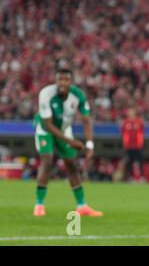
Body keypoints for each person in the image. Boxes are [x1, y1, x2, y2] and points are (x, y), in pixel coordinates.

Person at [33, 68, 103, 217]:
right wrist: (70, 141)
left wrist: (89, 144)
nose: (62, 83)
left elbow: (86, 120)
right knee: (47, 161)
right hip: (45, 130)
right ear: (56, 80)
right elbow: (48, 124)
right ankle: (39, 205)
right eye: (60, 79)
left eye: (66, 79)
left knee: (71, 164)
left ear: (71, 82)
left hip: (64, 130)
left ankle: (82, 206)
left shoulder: (78, 96)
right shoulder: (46, 94)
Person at [120, 107, 145, 182]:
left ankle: (141, 177)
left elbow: (141, 134)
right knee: (129, 162)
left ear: (134, 113)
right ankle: (130, 177)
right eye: (129, 112)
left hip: (138, 146)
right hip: (129, 147)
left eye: (132, 112)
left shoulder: (139, 122)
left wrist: (140, 144)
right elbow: (124, 135)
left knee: (140, 161)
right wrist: (125, 145)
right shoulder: (125, 122)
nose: (130, 113)